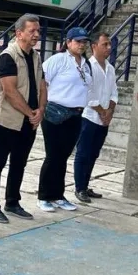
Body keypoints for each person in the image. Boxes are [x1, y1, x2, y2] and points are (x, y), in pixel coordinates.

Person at [0, 14, 45, 223]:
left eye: (38, 31)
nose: (37, 34)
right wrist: (31, 113)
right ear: (19, 33)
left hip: (30, 122)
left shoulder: (36, 57)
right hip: (9, 121)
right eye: (32, 31)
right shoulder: (8, 57)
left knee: (19, 163)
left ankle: (12, 202)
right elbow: (10, 92)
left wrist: (41, 110)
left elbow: (42, 85)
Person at [37, 27, 93, 213]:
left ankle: (58, 195)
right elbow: (42, 81)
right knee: (53, 156)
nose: (81, 45)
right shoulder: (58, 60)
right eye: (78, 41)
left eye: (84, 42)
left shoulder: (86, 64)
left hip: (76, 114)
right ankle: (44, 196)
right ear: (68, 42)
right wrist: (41, 105)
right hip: (55, 112)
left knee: (63, 157)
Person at [73, 32, 117, 204]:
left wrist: (109, 110)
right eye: (105, 44)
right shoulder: (87, 67)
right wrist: (101, 110)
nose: (109, 48)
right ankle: (79, 187)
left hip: (103, 118)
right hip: (89, 116)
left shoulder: (110, 68)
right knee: (83, 153)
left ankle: (85, 184)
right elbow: (88, 93)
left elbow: (114, 91)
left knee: (93, 153)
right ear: (94, 46)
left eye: (109, 45)